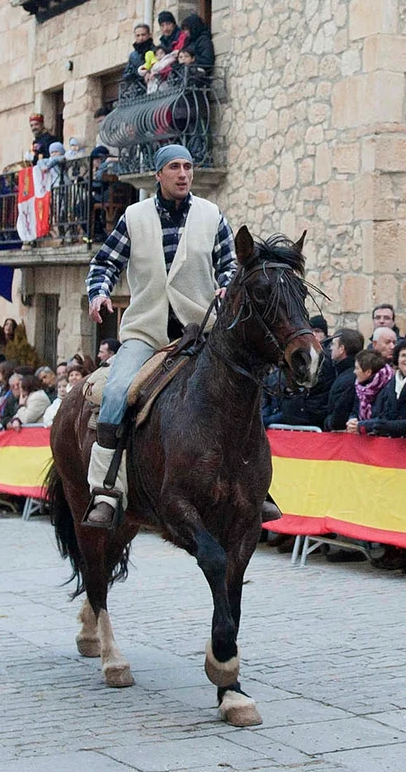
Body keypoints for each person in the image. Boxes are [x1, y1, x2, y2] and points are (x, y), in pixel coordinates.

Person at [85, 143, 260, 529]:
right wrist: (98, 293)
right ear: (158, 175)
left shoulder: (212, 215)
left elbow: (230, 264)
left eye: (188, 167)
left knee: (246, 388)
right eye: (175, 167)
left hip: (201, 331)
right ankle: (105, 491)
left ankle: (255, 486)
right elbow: (105, 264)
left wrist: (226, 287)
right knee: (115, 394)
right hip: (146, 332)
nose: (183, 174)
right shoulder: (134, 217)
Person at [359, 339, 406, 433]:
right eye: (403, 355)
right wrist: (361, 425)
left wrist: (389, 426)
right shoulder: (392, 382)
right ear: (397, 359)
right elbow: (385, 415)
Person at [326, 330, 364, 431]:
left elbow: (338, 416)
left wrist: (328, 423)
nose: (330, 348)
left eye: (333, 344)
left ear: (342, 349)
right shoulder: (344, 373)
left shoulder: (346, 380)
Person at [347, 349, 392, 430]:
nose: (354, 372)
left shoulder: (389, 387)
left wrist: (361, 425)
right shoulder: (360, 386)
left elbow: (385, 419)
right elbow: (354, 411)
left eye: (357, 368)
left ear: (368, 372)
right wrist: (352, 421)